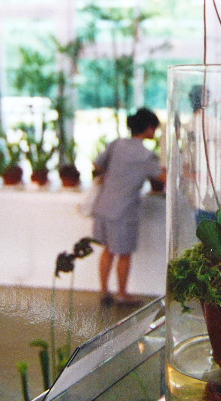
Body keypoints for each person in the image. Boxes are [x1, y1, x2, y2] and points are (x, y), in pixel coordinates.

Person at [92, 108, 166, 306]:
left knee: (108, 249)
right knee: (124, 253)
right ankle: (122, 293)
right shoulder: (146, 155)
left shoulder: (116, 144)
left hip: (104, 204)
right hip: (124, 210)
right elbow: (163, 177)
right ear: (149, 128)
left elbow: (97, 164)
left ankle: (104, 291)